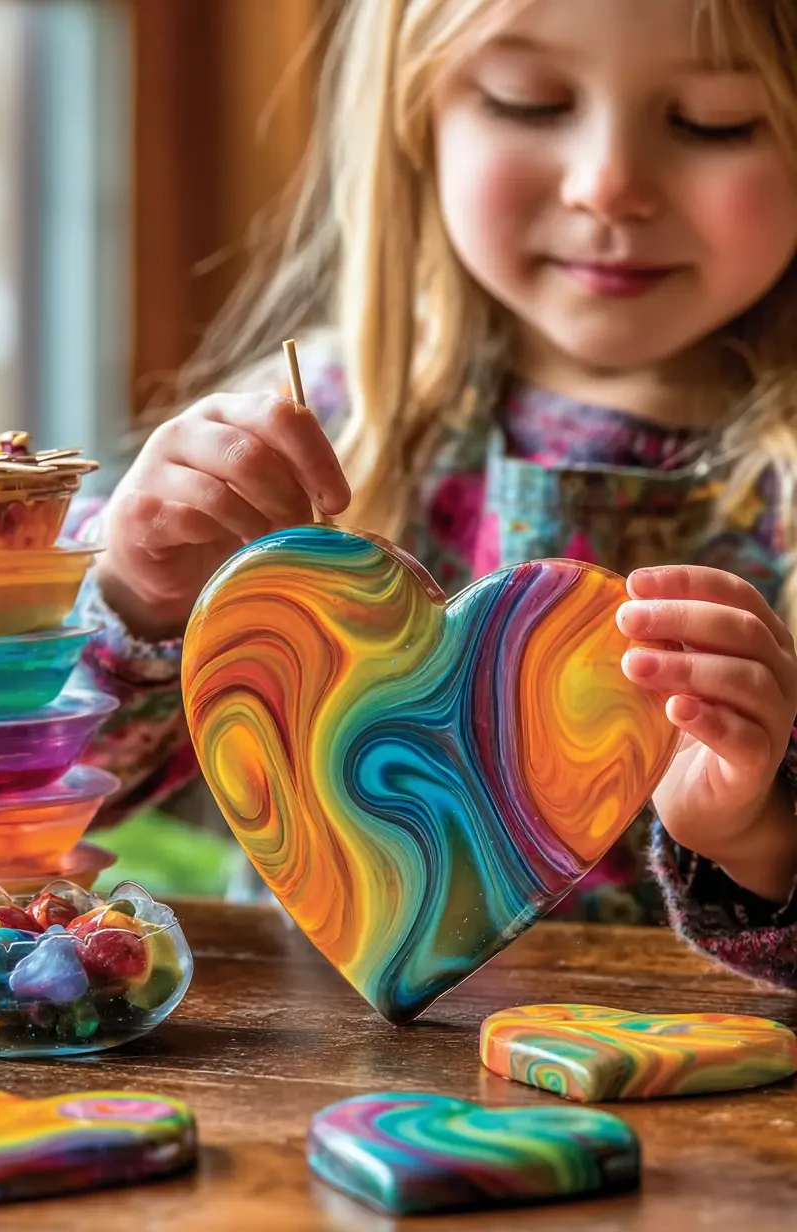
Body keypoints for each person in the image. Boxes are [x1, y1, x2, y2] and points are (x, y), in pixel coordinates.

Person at [69, 0, 797, 986]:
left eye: (713, 120)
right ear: (414, 118)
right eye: (527, 102)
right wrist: (140, 593)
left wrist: (757, 834)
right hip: (312, 1088)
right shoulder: (311, 430)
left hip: (698, 1123)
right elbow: (47, 794)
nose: (608, 186)